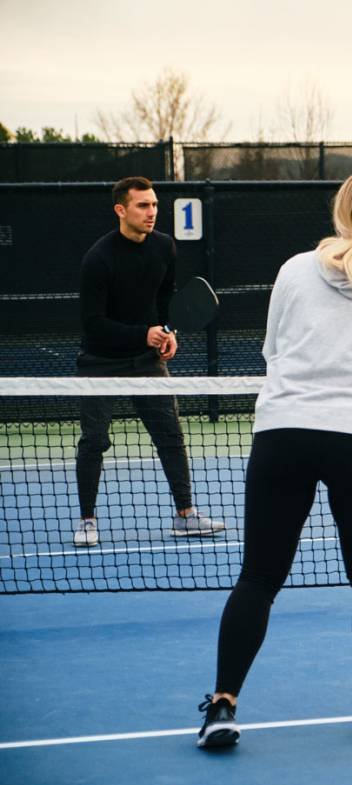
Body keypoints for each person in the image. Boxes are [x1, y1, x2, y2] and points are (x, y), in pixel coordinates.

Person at [197, 170, 352, 748]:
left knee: (257, 577)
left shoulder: (292, 270)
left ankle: (222, 706)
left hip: (283, 434)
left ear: (341, 212)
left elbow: (273, 349)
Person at [74, 176, 225, 547]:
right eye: (143, 205)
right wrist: (143, 333)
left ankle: (185, 515)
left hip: (147, 361)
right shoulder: (98, 259)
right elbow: (94, 325)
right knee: (94, 441)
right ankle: (88, 520)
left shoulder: (164, 248)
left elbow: (164, 299)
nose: (152, 212)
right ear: (121, 210)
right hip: (100, 361)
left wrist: (168, 332)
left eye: (154, 204)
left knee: (171, 436)